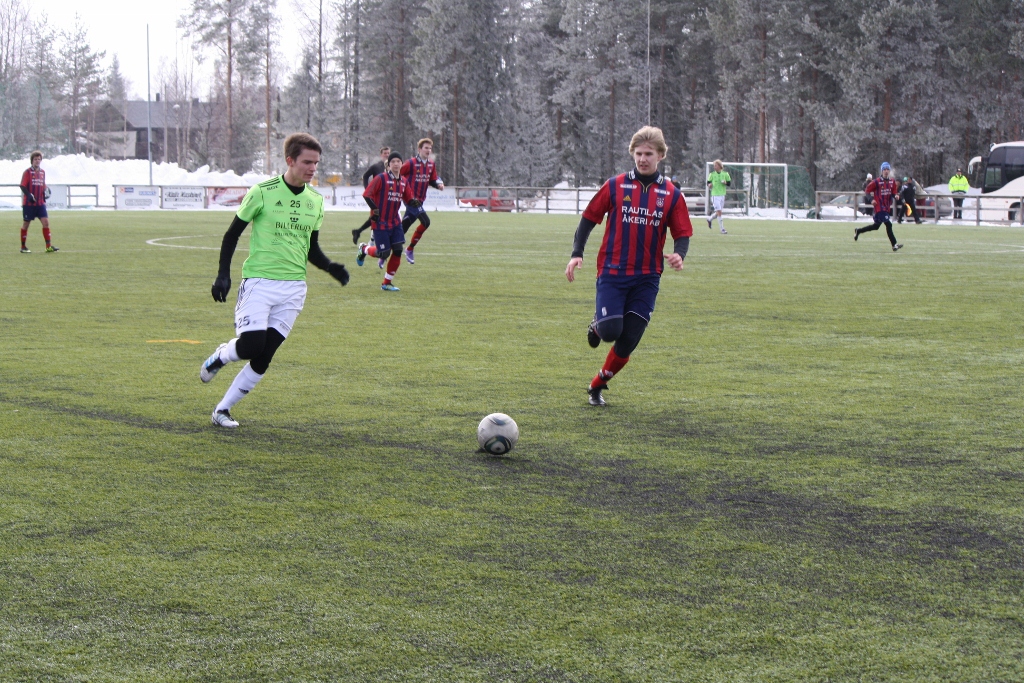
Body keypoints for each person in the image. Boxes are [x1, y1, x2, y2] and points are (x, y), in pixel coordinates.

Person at [199, 133, 350, 428]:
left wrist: (330, 267)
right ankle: (222, 355)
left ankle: (222, 411)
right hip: (260, 282)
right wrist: (223, 274)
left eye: (316, 163)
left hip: (294, 289)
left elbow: (311, 248)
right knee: (251, 346)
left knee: (264, 356)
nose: (313, 168)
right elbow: (231, 235)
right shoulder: (262, 192)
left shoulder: (315, 201)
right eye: (307, 162)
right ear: (290, 160)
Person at [565, 126, 692, 406]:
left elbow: (682, 233)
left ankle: (597, 385)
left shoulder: (671, 194)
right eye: (639, 153)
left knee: (628, 341)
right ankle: (598, 325)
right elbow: (588, 219)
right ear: (633, 154)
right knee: (611, 332)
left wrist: (679, 254)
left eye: (649, 154)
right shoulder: (615, 185)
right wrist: (577, 253)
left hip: (647, 277)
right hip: (613, 272)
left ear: (660, 156)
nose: (643, 159)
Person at [356, 151, 414, 291]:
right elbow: (367, 195)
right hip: (380, 223)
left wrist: (414, 203)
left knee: (398, 250)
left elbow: (409, 199)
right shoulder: (381, 178)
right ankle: (364, 249)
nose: (396, 164)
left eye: (398, 161)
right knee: (383, 253)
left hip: (395, 222)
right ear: (388, 165)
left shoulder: (404, 181)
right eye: (393, 161)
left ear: (402, 164)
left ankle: (386, 283)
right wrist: (375, 210)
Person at [399, 138, 445, 264]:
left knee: (404, 227)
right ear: (419, 149)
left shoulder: (431, 164)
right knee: (426, 221)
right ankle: (409, 249)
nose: (428, 150)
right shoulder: (410, 163)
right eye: (426, 148)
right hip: (410, 199)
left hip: (420, 200)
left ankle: (383, 250)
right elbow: (397, 174)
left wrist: (438, 185)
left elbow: (432, 180)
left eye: (430, 148)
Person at [854, 161, 903, 251]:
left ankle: (859, 231)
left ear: (889, 171)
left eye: (887, 169)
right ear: (882, 171)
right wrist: (871, 199)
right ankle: (894, 244)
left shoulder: (892, 181)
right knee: (888, 224)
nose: (886, 171)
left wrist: (896, 195)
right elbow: (867, 190)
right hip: (879, 208)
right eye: (884, 169)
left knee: (876, 227)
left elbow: (893, 192)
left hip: (886, 207)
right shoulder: (877, 181)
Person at [352, 146, 391, 245]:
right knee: (376, 216)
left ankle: (359, 232)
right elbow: (365, 176)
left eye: (388, 153)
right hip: (377, 197)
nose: (387, 155)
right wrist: (367, 189)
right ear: (381, 155)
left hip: (387, 197)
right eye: (385, 153)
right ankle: (372, 240)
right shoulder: (376, 167)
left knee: (377, 216)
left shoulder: (392, 167)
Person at [19, 151, 57, 253]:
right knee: (26, 224)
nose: (37, 161)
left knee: (46, 223)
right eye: (35, 159)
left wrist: (46, 190)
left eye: (39, 159)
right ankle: (23, 247)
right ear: (32, 160)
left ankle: (48, 246)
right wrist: (29, 195)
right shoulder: (27, 172)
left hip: (40, 203)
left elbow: (43, 184)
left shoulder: (42, 172)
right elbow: (22, 185)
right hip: (29, 204)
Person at [705, 159, 730, 234]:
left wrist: (725, 182)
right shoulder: (712, 174)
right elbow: (708, 183)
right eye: (714, 166)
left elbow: (729, 183)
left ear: (719, 166)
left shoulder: (725, 174)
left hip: (722, 195)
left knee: (718, 212)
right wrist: (709, 185)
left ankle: (709, 219)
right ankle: (722, 229)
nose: (714, 167)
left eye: (716, 165)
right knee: (719, 212)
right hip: (715, 195)